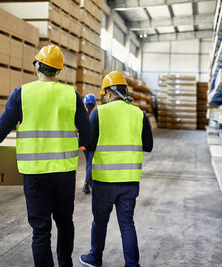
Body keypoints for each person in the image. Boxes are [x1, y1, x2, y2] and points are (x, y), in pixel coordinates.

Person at [0, 45, 92, 267]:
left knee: (41, 229)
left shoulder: (22, 94)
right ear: (59, 71)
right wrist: (74, 144)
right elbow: (88, 134)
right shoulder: (71, 95)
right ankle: (65, 264)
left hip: (35, 174)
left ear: (37, 66)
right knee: (64, 223)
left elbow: (3, 127)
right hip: (64, 172)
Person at [79, 71, 153, 267]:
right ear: (124, 90)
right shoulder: (139, 114)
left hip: (104, 181)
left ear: (109, 93)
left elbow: (88, 144)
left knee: (100, 221)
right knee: (127, 224)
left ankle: (95, 258)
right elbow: (148, 145)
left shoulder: (99, 113)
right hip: (130, 180)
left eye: (104, 94)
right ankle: (132, 264)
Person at [82, 93, 97, 194]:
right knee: (90, 164)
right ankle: (86, 184)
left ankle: (90, 182)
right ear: (94, 103)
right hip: (91, 144)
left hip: (84, 144)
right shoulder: (95, 113)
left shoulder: (82, 113)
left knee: (88, 163)